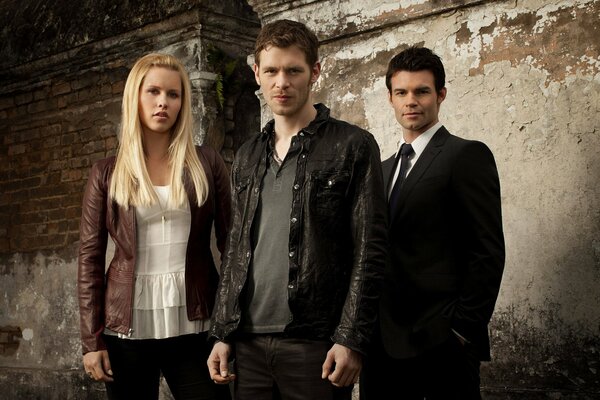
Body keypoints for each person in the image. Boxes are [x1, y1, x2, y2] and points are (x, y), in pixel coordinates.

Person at [206, 19, 387, 400]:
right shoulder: (247, 155)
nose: (281, 82)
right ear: (256, 73)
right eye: (270, 70)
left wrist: (351, 338)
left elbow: (370, 250)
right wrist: (222, 332)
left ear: (315, 72)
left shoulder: (353, 145)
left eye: (293, 70)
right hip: (247, 345)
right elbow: (236, 249)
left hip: (315, 343)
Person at [77, 53, 232, 400]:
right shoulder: (106, 172)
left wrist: (228, 328)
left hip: (197, 323)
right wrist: (92, 339)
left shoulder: (206, 162)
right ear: (136, 96)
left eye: (173, 94)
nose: (163, 102)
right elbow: (89, 258)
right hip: (126, 329)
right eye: (153, 92)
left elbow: (233, 247)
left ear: (183, 102)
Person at [360, 46, 505, 400]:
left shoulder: (466, 155)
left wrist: (461, 330)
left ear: (440, 95)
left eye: (422, 91)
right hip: (381, 345)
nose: (412, 101)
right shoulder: (381, 169)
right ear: (391, 99)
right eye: (402, 92)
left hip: (441, 344)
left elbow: (487, 251)